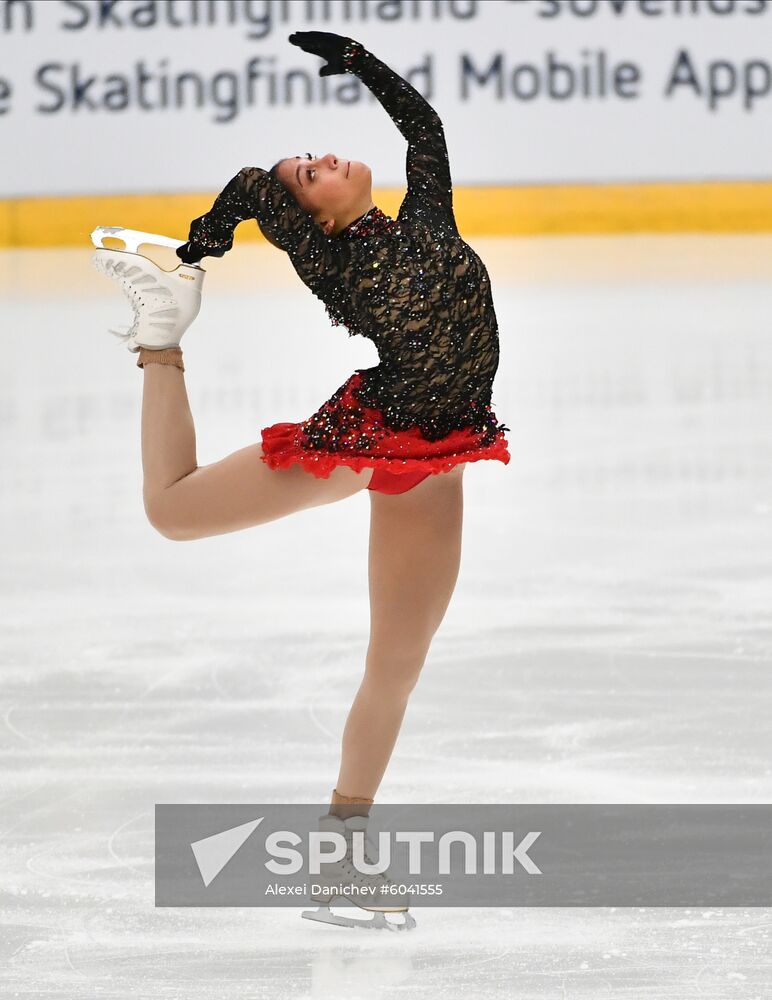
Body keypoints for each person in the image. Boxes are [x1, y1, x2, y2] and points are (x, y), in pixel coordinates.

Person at [92, 31, 510, 929]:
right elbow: (252, 196)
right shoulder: (338, 263)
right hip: (375, 437)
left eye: (318, 155)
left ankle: (341, 855)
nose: (323, 158)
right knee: (172, 512)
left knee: (396, 666)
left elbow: (425, 129)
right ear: (317, 217)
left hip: (441, 457)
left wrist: (360, 61)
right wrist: (209, 238)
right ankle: (160, 338)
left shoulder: (426, 217)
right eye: (309, 171)